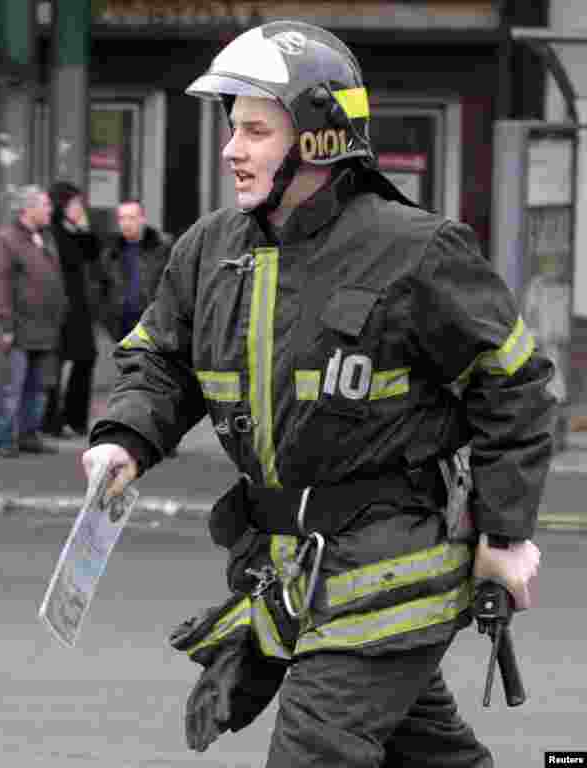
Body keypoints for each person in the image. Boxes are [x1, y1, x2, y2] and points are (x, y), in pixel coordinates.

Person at [82, 20, 551, 766]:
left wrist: (503, 536)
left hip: (391, 568)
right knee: (429, 756)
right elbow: (162, 359)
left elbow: (516, 386)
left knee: (314, 750)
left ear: (321, 138)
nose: (233, 149)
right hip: (293, 566)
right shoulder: (210, 247)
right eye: (234, 129)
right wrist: (126, 437)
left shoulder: (417, 250)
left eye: (257, 130)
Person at [0, 185, 67, 457]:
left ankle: (28, 435)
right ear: (27, 209)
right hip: (19, 328)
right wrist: (5, 324)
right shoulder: (6, 239)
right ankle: (3, 439)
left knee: (37, 388)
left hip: (44, 328)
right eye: (45, 205)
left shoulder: (44, 237)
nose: (50, 210)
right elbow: (0, 284)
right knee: (12, 386)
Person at [43, 181, 103, 439]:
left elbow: (93, 252)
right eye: (75, 203)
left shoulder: (76, 229)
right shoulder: (53, 233)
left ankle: (75, 418)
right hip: (58, 304)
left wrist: (84, 227)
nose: (81, 208)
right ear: (62, 206)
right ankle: (50, 420)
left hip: (78, 305)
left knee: (85, 357)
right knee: (53, 363)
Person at [98, 198, 172, 343]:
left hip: (153, 329)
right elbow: (101, 290)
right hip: (122, 327)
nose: (126, 223)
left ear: (142, 219)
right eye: (122, 218)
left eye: (131, 218)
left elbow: (173, 289)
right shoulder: (110, 253)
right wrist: (110, 323)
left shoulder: (162, 250)